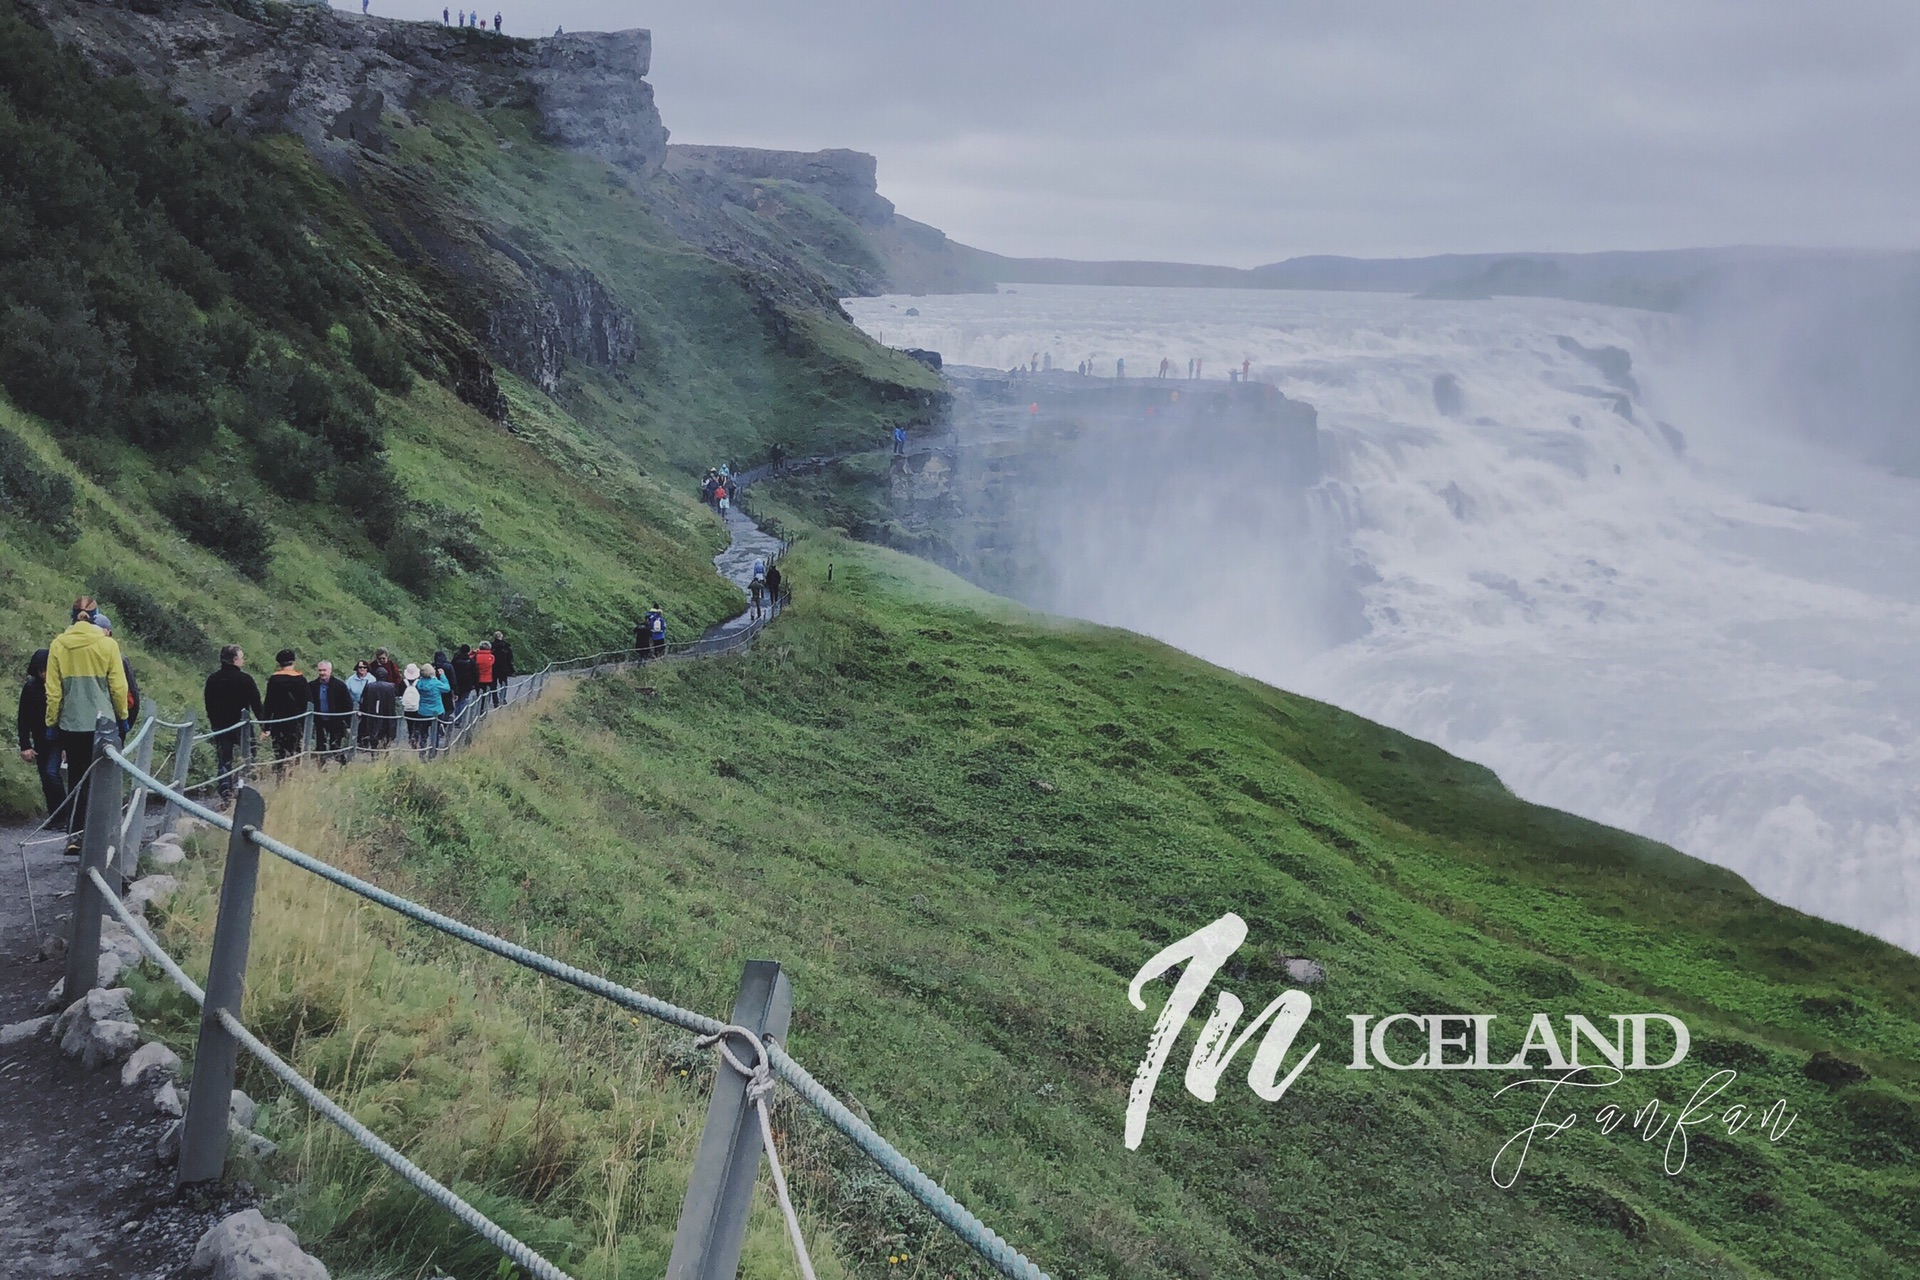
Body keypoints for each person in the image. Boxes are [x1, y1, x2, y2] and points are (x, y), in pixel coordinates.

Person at [45, 597, 129, 853]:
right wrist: (122, 717)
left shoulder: (59, 644)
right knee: (104, 778)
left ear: (72, 616)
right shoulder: (107, 644)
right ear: (96, 616)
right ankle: (103, 836)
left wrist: (52, 721)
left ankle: (75, 836)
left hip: (72, 724)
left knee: (77, 779)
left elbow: (53, 691)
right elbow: (118, 686)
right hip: (103, 724)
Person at [204, 645, 265, 806]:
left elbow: (208, 704)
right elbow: (256, 705)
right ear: (235, 660)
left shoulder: (212, 679)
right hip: (241, 724)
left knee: (224, 759)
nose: (243, 661)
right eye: (241, 658)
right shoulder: (245, 679)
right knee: (249, 755)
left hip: (221, 725)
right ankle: (245, 787)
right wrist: (265, 726)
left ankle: (225, 791)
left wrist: (213, 722)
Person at [17, 649, 64, 818]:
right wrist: (25, 745)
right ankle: (55, 816)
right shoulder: (31, 688)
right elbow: (23, 718)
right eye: (40, 671)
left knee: (52, 773)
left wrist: (68, 745)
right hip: (40, 738)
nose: (44, 674)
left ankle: (64, 813)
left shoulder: (62, 685)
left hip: (60, 738)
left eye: (47, 669)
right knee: (45, 777)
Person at [262, 649, 310, 769]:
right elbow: (308, 702)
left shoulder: (274, 680)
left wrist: (266, 727)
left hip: (278, 721)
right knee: (294, 750)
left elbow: (268, 704)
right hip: (296, 721)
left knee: (279, 752)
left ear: (279, 664)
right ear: (293, 662)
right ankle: (293, 775)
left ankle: (280, 775)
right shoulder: (301, 680)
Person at [310, 661, 354, 765]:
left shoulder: (340, 686)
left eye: (324, 670)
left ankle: (343, 765)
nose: (322, 673)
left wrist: (347, 723)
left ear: (330, 671)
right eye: (320, 670)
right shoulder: (312, 686)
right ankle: (321, 767)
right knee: (320, 745)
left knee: (335, 745)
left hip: (336, 721)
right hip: (320, 720)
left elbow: (348, 705)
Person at [414, 661, 451, 755]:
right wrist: (442, 676)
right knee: (435, 733)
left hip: (423, 712)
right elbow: (447, 688)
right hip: (437, 711)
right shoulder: (436, 683)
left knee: (423, 732)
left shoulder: (419, 683)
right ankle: (433, 751)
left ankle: (422, 749)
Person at [359, 665, 397, 753]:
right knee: (386, 733)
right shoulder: (391, 686)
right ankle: (385, 750)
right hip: (387, 714)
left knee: (373, 732)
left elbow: (363, 701)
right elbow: (394, 701)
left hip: (372, 713)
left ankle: (373, 750)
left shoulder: (369, 686)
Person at [490, 631, 515, 702]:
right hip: (504, 668)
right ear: (501, 636)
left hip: (493, 668)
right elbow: (510, 659)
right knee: (504, 684)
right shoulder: (506, 647)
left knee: (493, 685)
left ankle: (495, 700)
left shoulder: (491, 646)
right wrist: (511, 669)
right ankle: (502, 698)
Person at [474, 641, 496, 708]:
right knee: (486, 694)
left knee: (479, 694)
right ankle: (484, 708)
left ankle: (479, 707)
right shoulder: (491, 657)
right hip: (488, 678)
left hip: (478, 678)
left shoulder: (476, 656)